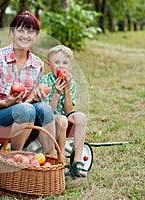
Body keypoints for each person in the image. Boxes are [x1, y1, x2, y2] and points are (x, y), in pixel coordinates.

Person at [0, 11, 56, 155]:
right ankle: (14, 157)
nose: (25, 35)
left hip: (23, 113)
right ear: (11, 33)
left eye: (30, 31)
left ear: (36, 35)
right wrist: (5, 103)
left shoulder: (37, 64)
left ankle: (51, 160)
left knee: (45, 108)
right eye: (20, 30)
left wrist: (34, 98)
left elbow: (27, 100)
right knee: (25, 109)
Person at [39, 45, 88, 177]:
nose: (61, 66)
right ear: (49, 64)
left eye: (65, 63)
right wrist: (56, 93)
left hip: (64, 116)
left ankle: (77, 160)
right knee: (62, 119)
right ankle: (61, 160)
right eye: (57, 62)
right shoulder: (45, 81)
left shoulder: (72, 83)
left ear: (70, 66)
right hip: (48, 119)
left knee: (81, 117)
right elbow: (48, 111)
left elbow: (69, 110)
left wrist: (66, 90)